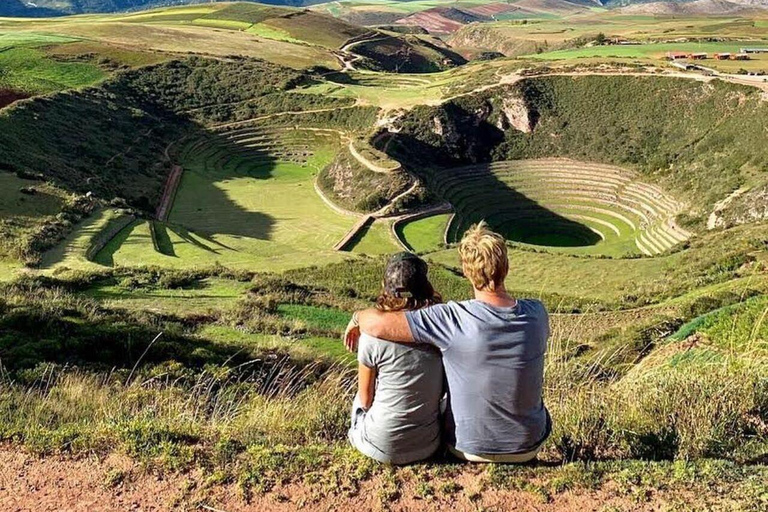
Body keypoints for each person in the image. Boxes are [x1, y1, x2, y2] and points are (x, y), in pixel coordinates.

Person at [345, 222, 551, 463]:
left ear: (466, 271)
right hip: (528, 446)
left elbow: (379, 325)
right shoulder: (538, 313)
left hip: (467, 447)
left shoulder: (452, 318)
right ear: (506, 266)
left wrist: (357, 317)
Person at [347, 252, 445, 464]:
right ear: (426, 286)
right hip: (429, 445)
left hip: (379, 446)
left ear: (385, 285)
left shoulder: (372, 337)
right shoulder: (442, 331)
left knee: (357, 399)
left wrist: (357, 318)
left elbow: (365, 400)